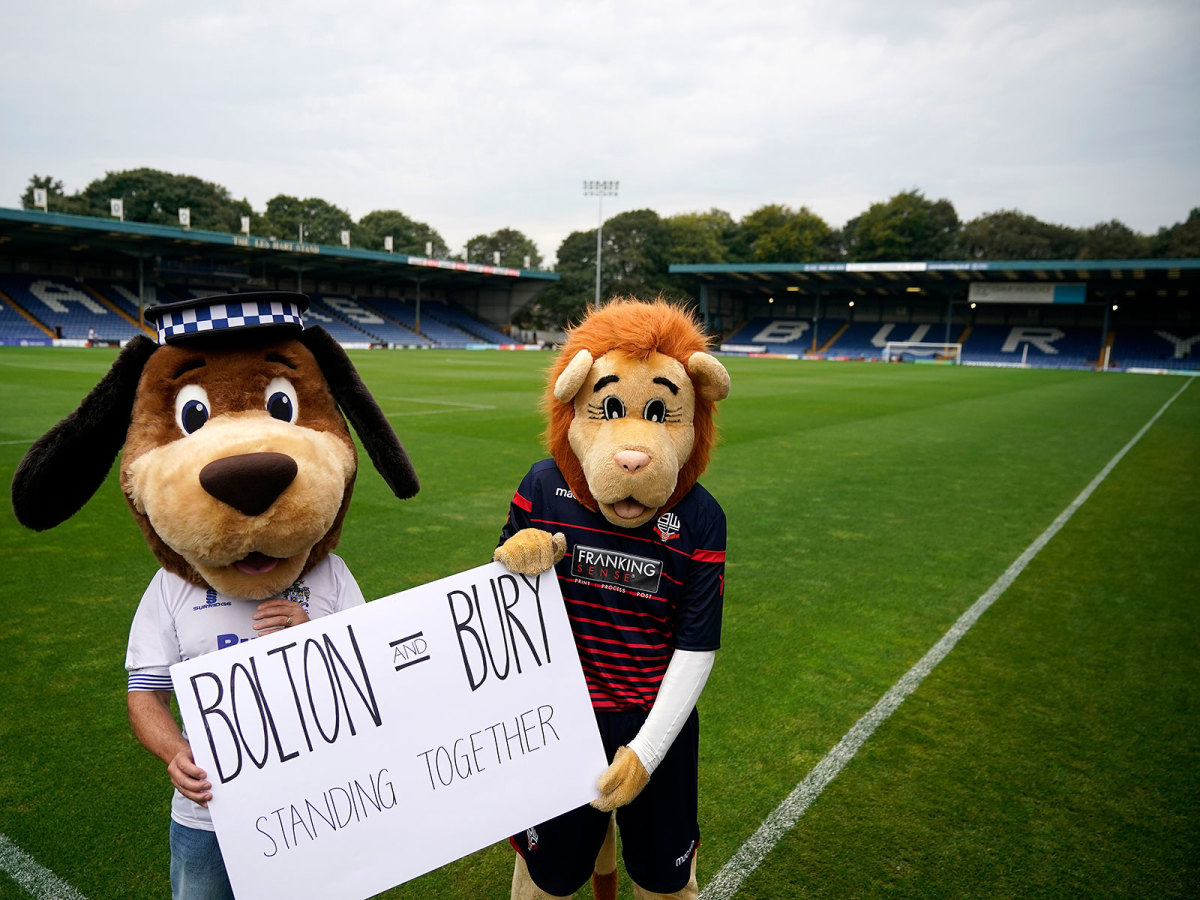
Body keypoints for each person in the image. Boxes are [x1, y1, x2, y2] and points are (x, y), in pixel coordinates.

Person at [125, 555, 366, 900]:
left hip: (317, 805)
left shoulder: (330, 571)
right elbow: (146, 694)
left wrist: (315, 640)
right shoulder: (174, 581)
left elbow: (367, 672)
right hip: (210, 813)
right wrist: (176, 753)